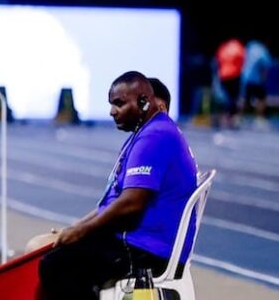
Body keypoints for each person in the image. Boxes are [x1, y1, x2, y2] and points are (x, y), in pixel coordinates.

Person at [35, 71, 197, 300]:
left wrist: (81, 231)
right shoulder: (147, 133)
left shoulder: (155, 136)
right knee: (51, 255)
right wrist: (76, 228)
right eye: (111, 104)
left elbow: (132, 203)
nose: (112, 111)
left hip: (148, 250)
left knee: (57, 265)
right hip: (140, 242)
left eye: (119, 104)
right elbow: (114, 200)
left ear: (144, 102)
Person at [213, 37, 245, 128]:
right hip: (234, 75)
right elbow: (242, 61)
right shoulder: (238, 46)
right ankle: (231, 119)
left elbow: (218, 60)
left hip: (223, 75)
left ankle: (224, 118)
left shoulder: (223, 47)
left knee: (226, 98)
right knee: (234, 98)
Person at [241, 40, 272, 129]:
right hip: (256, 79)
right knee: (262, 99)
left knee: (246, 99)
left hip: (246, 77)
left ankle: (239, 118)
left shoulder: (251, 47)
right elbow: (265, 66)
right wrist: (263, 79)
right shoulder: (263, 51)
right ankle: (259, 119)